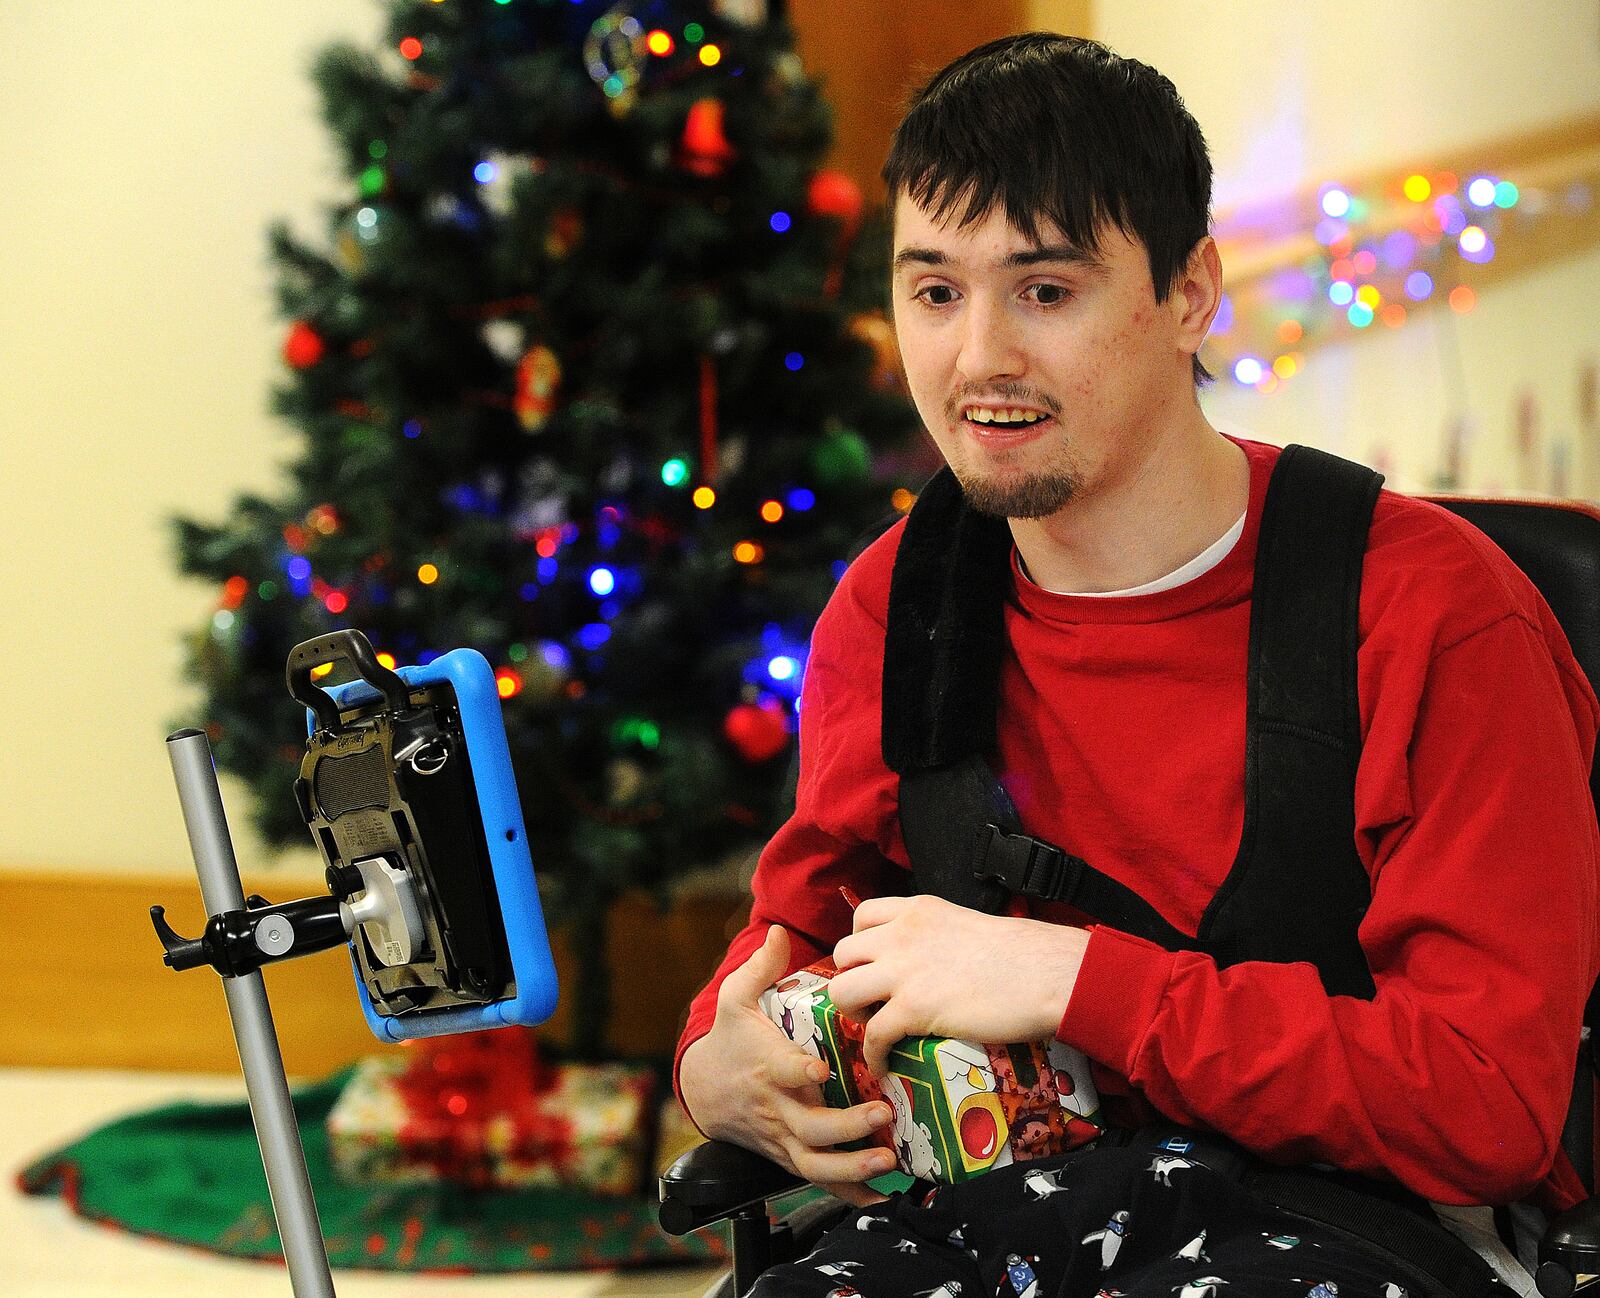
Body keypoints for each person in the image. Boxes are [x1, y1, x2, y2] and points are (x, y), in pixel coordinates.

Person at [675, 32, 1600, 1297]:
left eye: (1045, 290)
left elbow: (1486, 1105)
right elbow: (787, 942)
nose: (977, 356)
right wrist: (713, 1068)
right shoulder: (898, 602)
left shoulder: (1435, 612)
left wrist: (1076, 982)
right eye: (934, 291)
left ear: (1188, 290)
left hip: (1358, 1227)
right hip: (982, 1215)